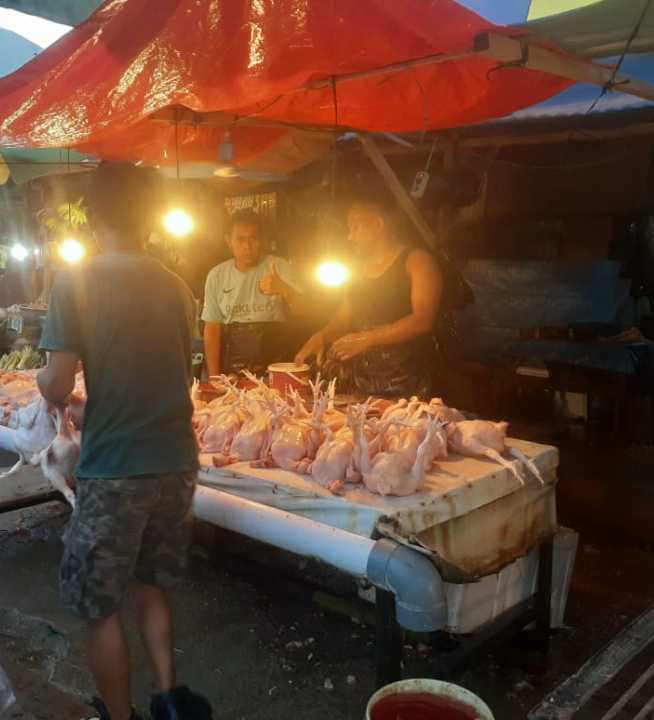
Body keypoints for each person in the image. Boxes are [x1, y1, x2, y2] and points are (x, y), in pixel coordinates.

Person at [36, 163, 212, 720]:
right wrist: (96, 405)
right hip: (175, 462)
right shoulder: (176, 285)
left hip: (116, 470)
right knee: (151, 582)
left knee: (98, 605)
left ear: (91, 216)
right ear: (151, 218)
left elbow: (57, 382)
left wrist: (49, 385)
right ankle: (168, 699)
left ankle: (119, 715)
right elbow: (164, 376)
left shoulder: (77, 281)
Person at [294, 190, 443, 397]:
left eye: (355, 227)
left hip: (406, 379)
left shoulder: (416, 261)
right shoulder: (357, 270)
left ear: (378, 225)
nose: (350, 236)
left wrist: (367, 339)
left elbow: (422, 320)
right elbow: (343, 318)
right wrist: (322, 336)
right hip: (363, 378)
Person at [200, 209, 302, 377]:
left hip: (276, 362)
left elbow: (305, 311)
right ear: (229, 241)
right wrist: (214, 377)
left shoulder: (280, 266)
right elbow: (212, 327)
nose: (247, 246)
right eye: (240, 239)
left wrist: (284, 289)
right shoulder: (216, 275)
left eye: (253, 238)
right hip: (233, 366)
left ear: (261, 240)